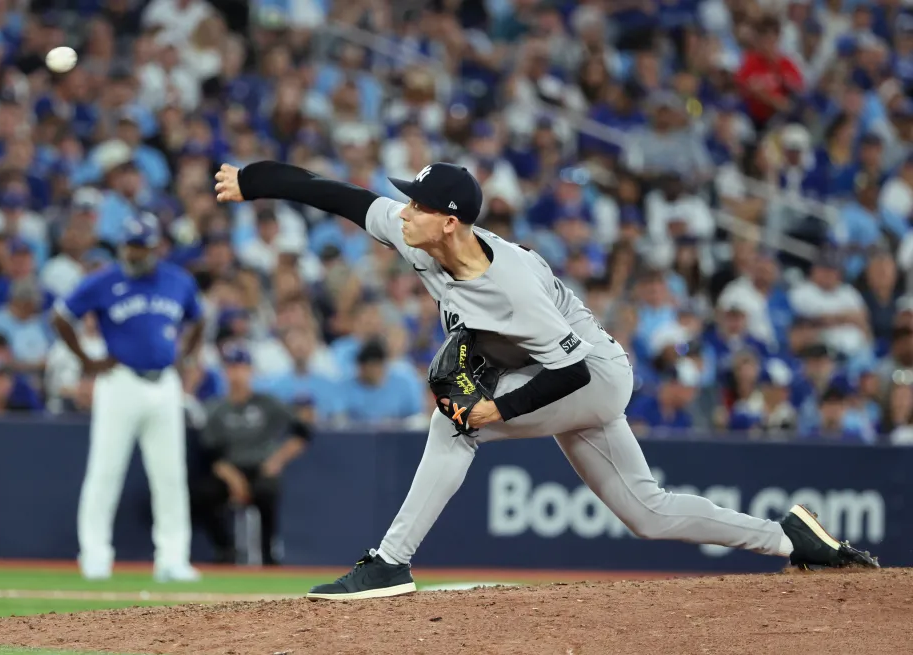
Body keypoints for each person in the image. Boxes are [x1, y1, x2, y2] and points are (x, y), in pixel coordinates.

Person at [214, 160, 879, 601]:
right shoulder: (418, 233)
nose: (403, 210)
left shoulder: (510, 287)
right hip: (556, 369)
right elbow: (335, 193)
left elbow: (573, 370)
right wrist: (253, 180)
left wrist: (495, 413)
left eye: (417, 203)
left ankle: (389, 561)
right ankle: (788, 537)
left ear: (450, 221)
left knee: (456, 424)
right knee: (647, 513)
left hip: (591, 376)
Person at [51, 212, 206, 582]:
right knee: (105, 471)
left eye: (140, 246)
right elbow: (61, 316)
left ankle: (172, 558)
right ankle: (95, 555)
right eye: (129, 245)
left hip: (164, 383)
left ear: (156, 247)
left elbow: (198, 319)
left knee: (170, 476)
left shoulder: (177, 280)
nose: (133, 253)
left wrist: (185, 356)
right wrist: (86, 360)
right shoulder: (104, 280)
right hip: (119, 381)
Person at [192, 345, 310, 564]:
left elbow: (302, 430)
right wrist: (234, 480)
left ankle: (269, 553)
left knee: (267, 490)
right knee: (202, 494)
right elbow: (209, 452)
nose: (236, 374)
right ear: (225, 372)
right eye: (231, 368)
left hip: (260, 468)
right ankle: (224, 549)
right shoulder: (216, 408)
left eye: (241, 368)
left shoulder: (267, 403)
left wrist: (277, 460)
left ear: (250, 371)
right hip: (229, 470)